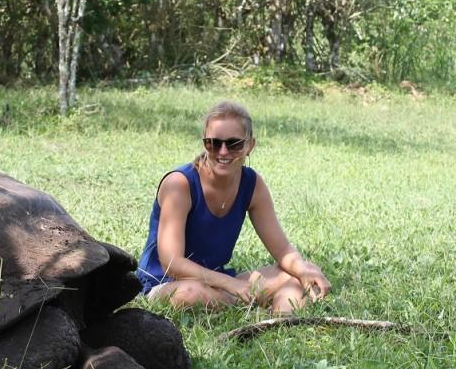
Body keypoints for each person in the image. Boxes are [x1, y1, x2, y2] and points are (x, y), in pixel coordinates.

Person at [136, 100, 331, 314]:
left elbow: (283, 251)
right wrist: (231, 285)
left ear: (250, 145)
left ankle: (278, 322)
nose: (222, 151)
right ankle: (250, 305)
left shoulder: (252, 184)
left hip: (217, 283)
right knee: (189, 294)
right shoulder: (179, 184)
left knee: (295, 275)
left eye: (234, 144)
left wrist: (303, 270)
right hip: (166, 285)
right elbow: (172, 263)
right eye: (213, 143)